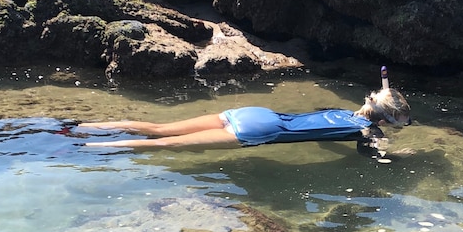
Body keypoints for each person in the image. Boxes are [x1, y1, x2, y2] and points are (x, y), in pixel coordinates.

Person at [76, 66, 412, 157]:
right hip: (259, 132)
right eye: (396, 124)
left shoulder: (341, 111)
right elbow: (378, 154)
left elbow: (322, 133)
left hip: (254, 113)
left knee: (158, 127)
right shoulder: (368, 132)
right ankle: (89, 149)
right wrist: (399, 153)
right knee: (164, 145)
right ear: (382, 122)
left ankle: (80, 128)